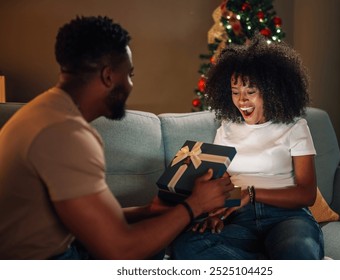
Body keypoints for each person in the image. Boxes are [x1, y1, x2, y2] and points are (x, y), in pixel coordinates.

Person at [0, 15, 234, 260]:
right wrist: (195, 204)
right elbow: (120, 249)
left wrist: (148, 211)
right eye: (129, 74)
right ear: (108, 76)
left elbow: (84, 219)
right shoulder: (66, 134)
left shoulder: (44, 112)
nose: (131, 84)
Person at [171, 35, 324, 260]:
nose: (241, 100)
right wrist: (217, 215)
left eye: (250, 92)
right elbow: (224, 184)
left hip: (287, 218)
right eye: (235, 92)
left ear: (271, 91)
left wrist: (251, 193)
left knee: (298, 249)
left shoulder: (295, 127)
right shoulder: (226, 129)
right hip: (240, 220)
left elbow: (306, 194)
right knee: (186, 246)